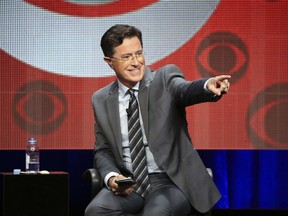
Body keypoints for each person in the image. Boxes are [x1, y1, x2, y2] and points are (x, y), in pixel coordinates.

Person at [85, 24, 230, 216]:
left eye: (138, 54)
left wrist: (207, 86)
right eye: (126, 57)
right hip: (130, 184)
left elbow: (184, 89)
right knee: (95, 211)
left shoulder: (164, 78)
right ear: (109, 61)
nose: (136, 62)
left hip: (171, 182)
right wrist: (112, 178)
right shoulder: (101, 99)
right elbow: (103, 150)